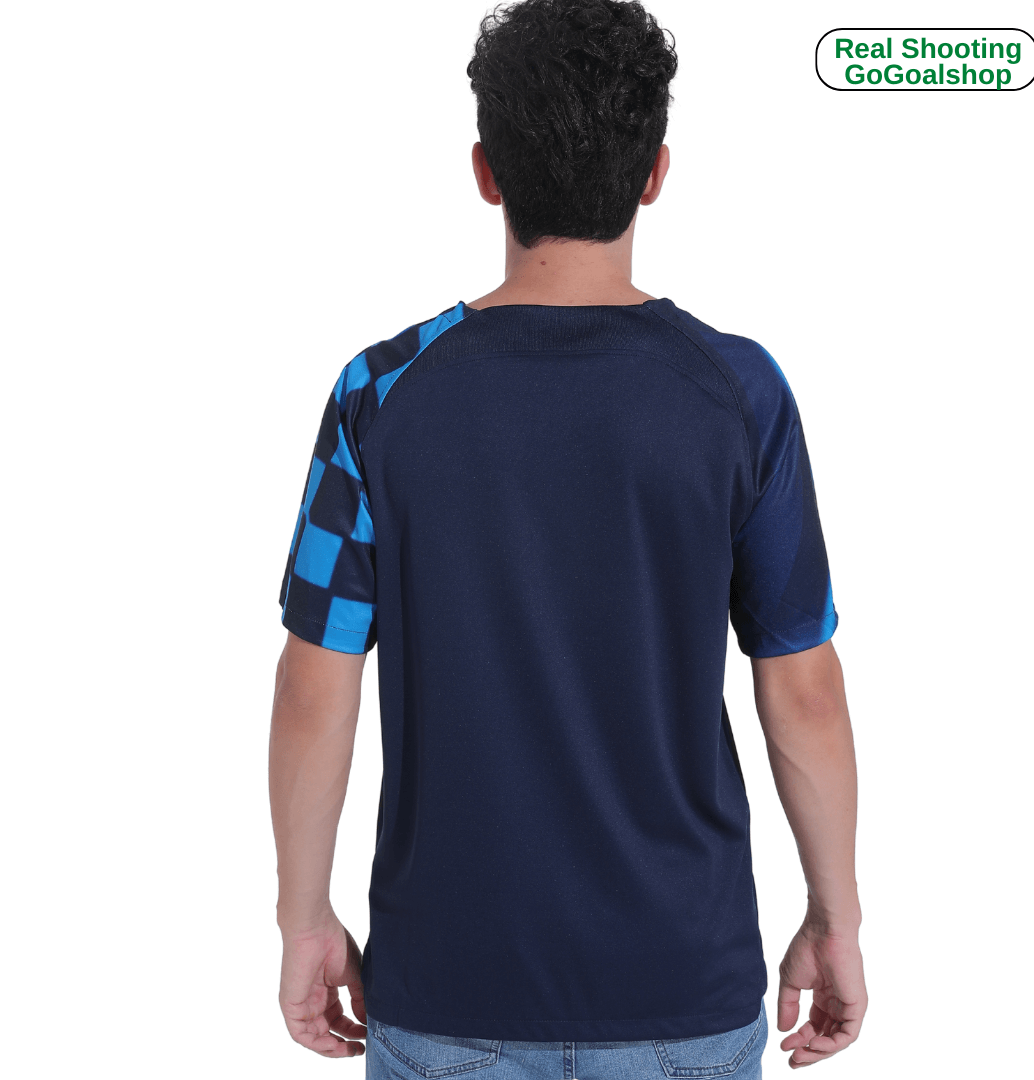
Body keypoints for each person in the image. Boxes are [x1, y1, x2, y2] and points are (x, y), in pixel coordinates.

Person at [268, 1, 867, 1075]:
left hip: (447, 985)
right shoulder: (739, 393)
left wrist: (302, 919)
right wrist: (838, 918)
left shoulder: (380, 393)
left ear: (486, 172)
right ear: (655, 174)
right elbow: (803, 688)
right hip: (681, 984)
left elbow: (318, 681)